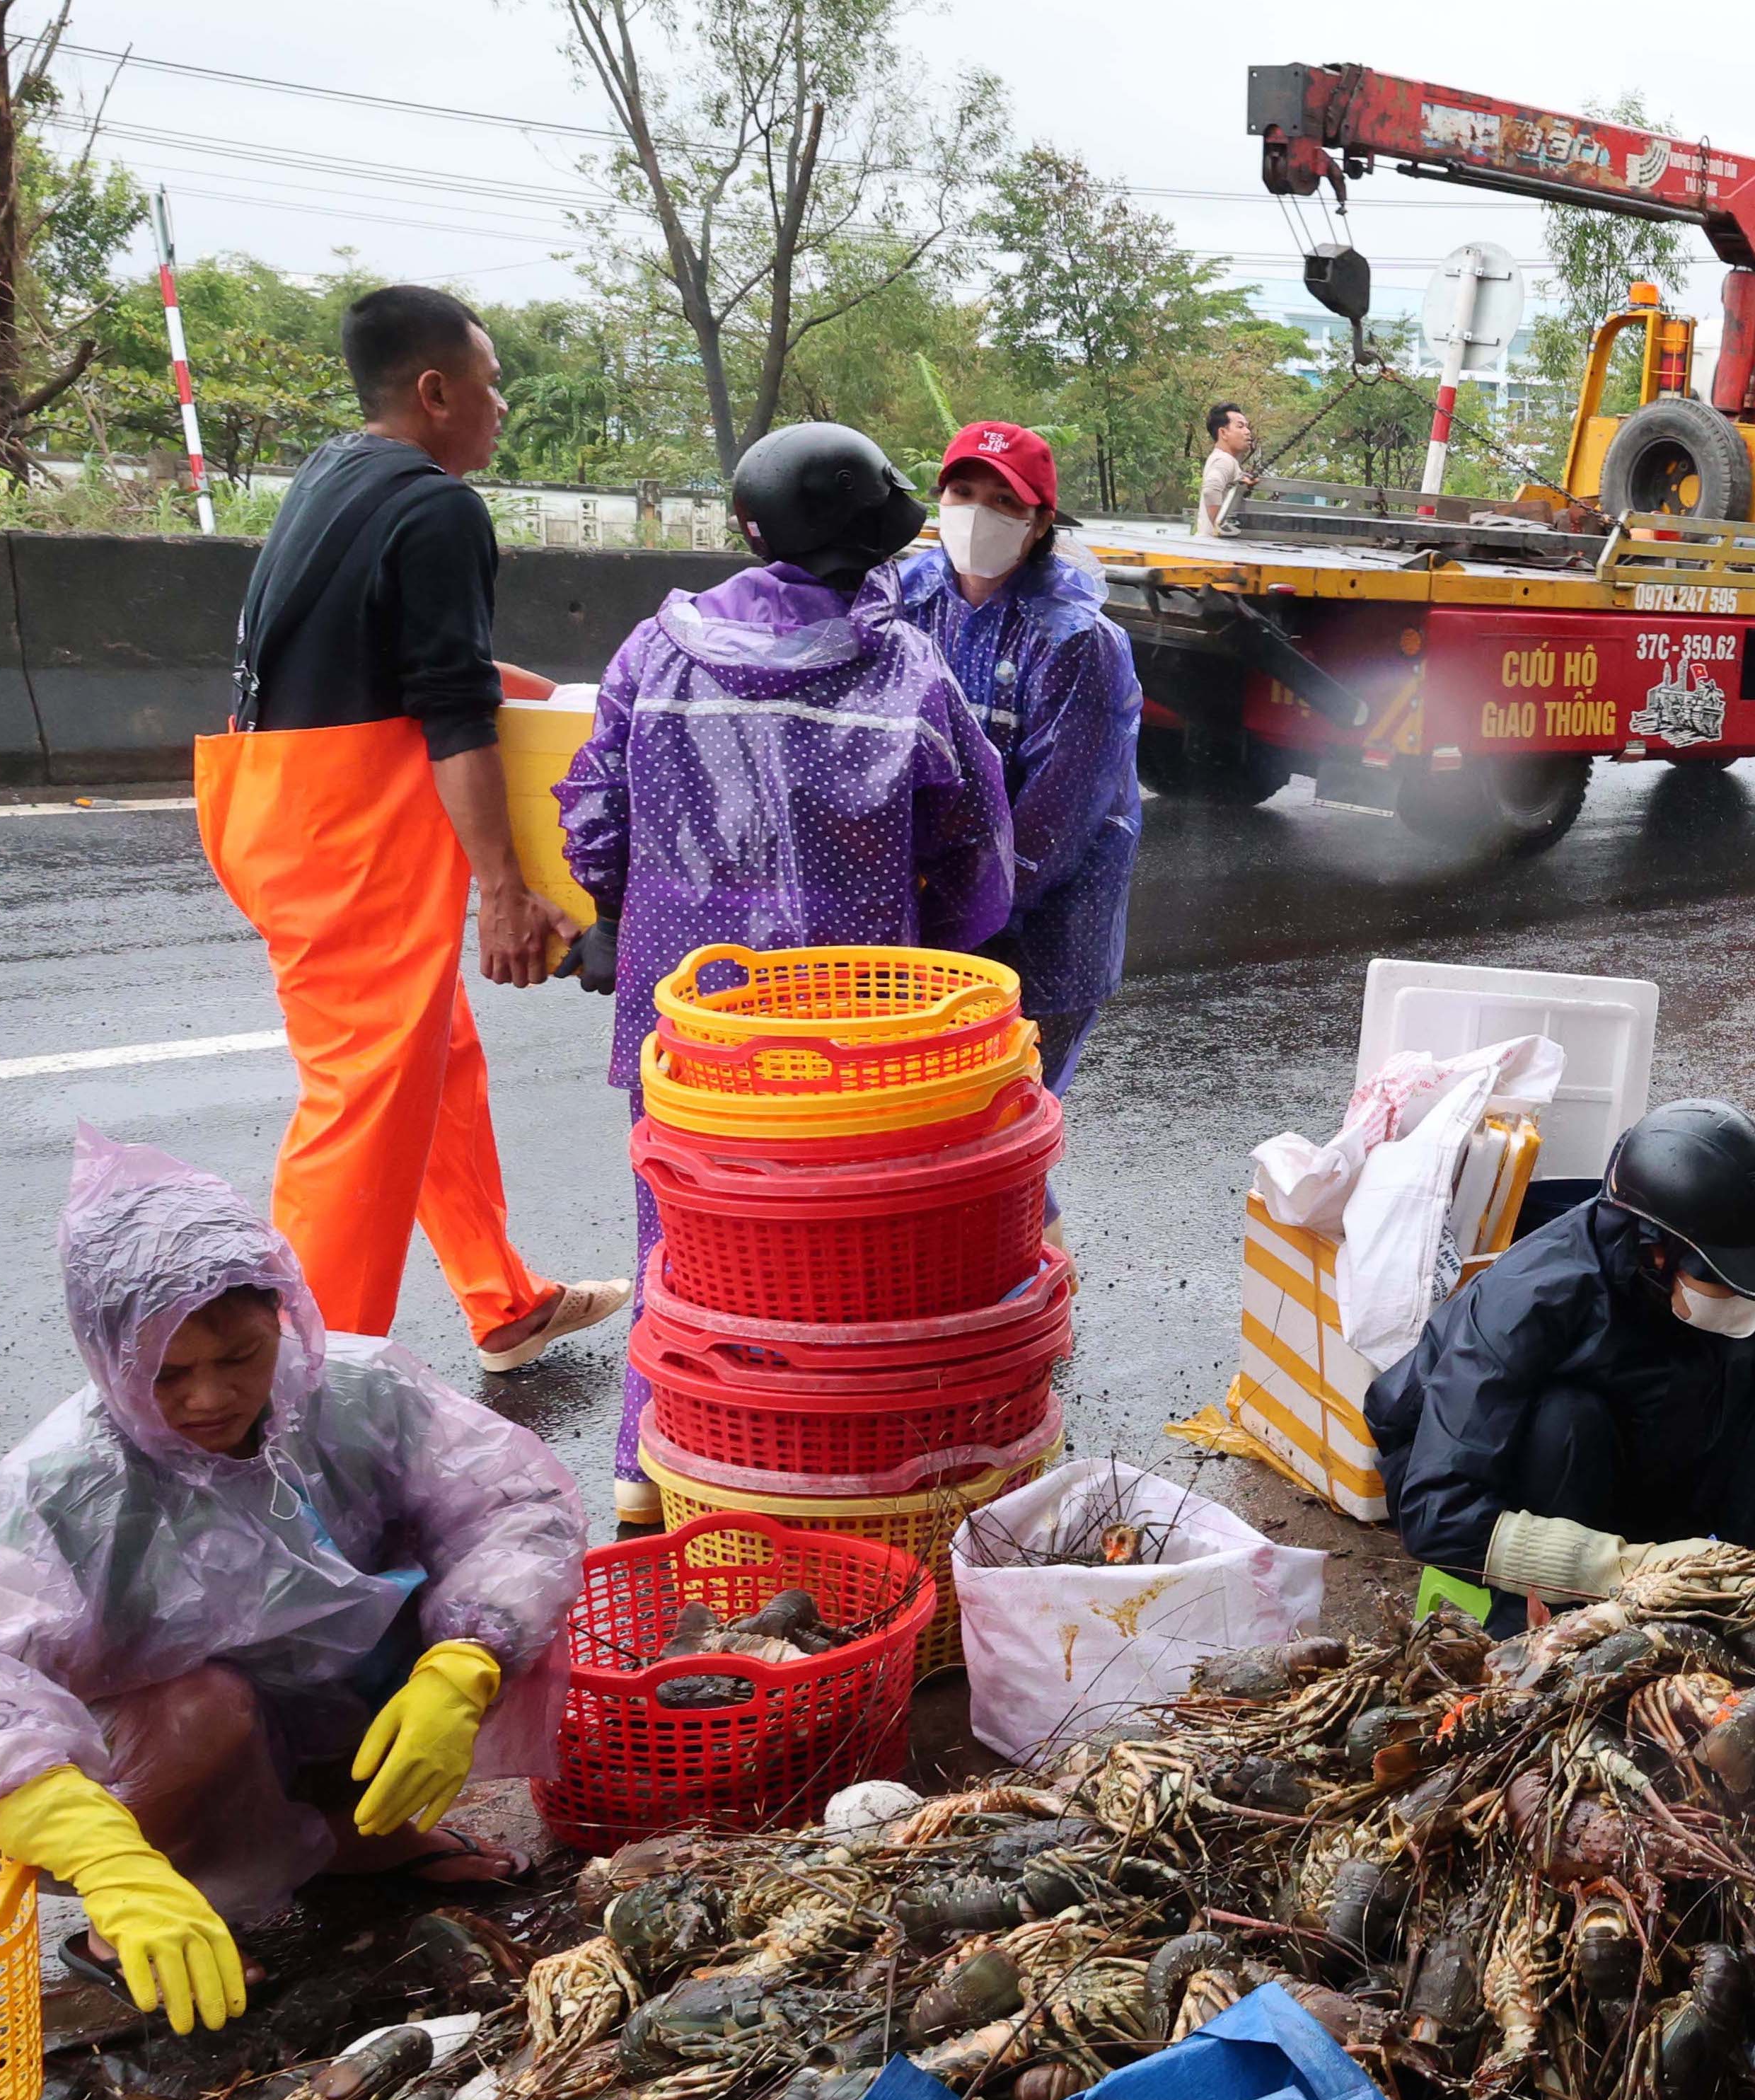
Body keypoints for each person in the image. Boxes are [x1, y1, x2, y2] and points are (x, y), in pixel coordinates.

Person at [0, 1131, 586, 2034]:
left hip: (333, 1699)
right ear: (106, 1356)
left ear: (282, 1318)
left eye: (239, 1357)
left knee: (445, 1614)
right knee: (202, 1707)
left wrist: (464, 1661)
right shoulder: (66, 1480)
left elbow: (515, 1508)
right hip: (177, 1741)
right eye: (166, 1375)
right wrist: (103, 1859)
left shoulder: (360, 1391)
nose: (207, 1399)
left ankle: (358, 1839)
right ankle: (139, 1913)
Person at [559, 422, 1017, 1519]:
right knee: (834, 1264)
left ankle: (649, 1460)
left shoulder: (655, 653)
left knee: (678, 1242)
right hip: (846, 1044)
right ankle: (820, 1476)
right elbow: (974, 844)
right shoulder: (905, 668)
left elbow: (594, 802)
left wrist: (613, 913)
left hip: (689, 1032)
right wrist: (937, 964)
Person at [204, 283, 627, 1371]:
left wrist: (550, 706)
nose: (500, 406)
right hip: (344, 829)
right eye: (489, 385)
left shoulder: (336, 474)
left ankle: (505, 1300)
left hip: (268, 798)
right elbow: (445, 710)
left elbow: (401, 661)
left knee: (436, 1055)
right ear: (435, 391)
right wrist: (504, 885)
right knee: (363, 1103)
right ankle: (290, 1390)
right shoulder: (441, 507)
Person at [1364, 1100, 1755, 1621]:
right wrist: (1627, 1567)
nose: (1753, 1300)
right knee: (1566, 1419)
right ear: (1656, 1251)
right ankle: (1556, 1636)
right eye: (1724, 1282)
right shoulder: (1530, 1300)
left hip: (1680, 1460)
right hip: (1565, 1495)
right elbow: (1438, 1511)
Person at [886, 422, 1145, 1102]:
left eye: (1005, 503)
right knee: (924, 1121)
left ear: (1040, 523)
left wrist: (961, 913)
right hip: (928, 919)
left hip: (1047, 930)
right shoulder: (902, 602)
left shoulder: (1076, 640)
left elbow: (1060, 811)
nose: (978, 514)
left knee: (1006, 1120)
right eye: (963, 492)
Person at [1195, 402, 1255, 536]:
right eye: (1240, 426)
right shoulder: (1224, 460)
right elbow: (1211, 490)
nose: (1248, 431)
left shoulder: (1224, 459)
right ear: (1223, 432)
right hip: (1215, 550)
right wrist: (1220, 527)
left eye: (1247, 426)